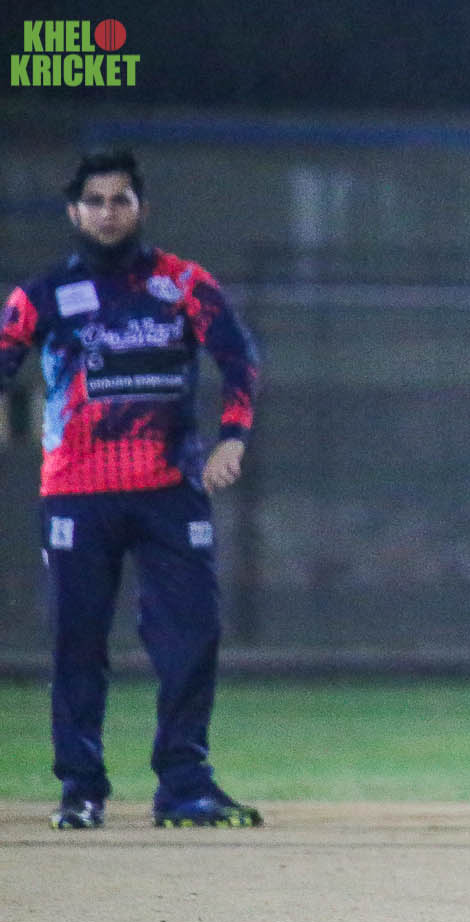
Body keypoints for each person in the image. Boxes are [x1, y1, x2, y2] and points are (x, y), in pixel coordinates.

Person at [0, 150, 263, 830]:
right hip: (77, 494)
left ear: (142, 207)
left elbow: (239, 357)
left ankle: (184, 784)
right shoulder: (42, 293)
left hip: (170, 490)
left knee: (193, 633)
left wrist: (233, 437)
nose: (108, 212)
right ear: (73, 212)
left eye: (121, 199)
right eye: (95, 200)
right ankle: (81, 790)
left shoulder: (184, 284)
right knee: (77, 642)